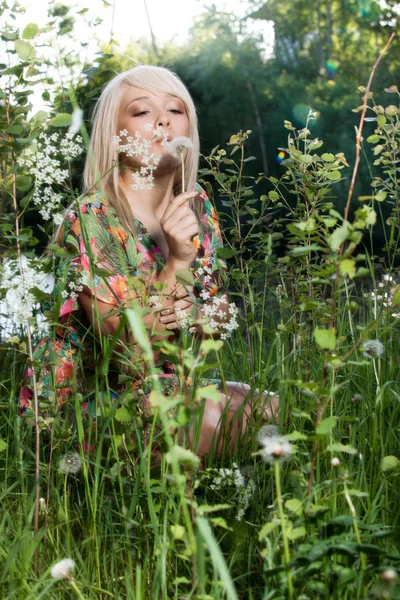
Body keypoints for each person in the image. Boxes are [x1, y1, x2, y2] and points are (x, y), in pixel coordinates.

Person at [20, 65, 278, 458]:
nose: (162, 120)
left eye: (176, 110)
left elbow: (221, 315)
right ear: (113, 133)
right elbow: (128, 357)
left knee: (275, 407)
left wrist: (200, 314)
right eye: (141, 112)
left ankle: (216, 486)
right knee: (202, 417)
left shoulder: (197, 205)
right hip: (90, 402)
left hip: (168, 385)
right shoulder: (91, 218)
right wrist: (176, 265)